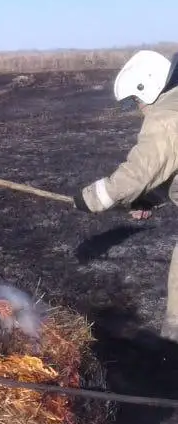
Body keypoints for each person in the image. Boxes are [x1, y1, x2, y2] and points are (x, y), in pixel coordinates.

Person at [73, 49, 178, 339]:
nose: (137, 106)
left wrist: (93, 198)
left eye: (136, 99)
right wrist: (148, 199)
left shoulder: (166, 118)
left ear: (149, 86)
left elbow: (137, 172)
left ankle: (173, 359)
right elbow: (170, 166)